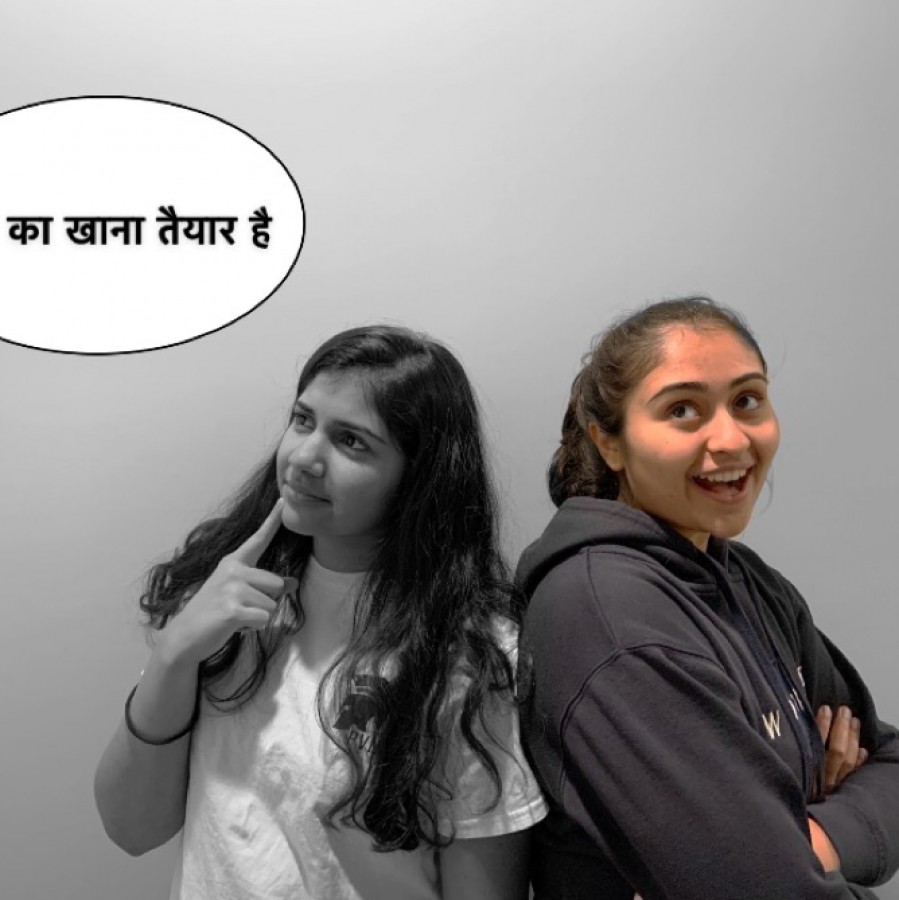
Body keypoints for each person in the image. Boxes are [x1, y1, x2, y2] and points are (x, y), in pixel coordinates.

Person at [95, 325, 546, 900]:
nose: (304, 458)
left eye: (352, 441)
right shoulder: (226, 594)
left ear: (417, 480)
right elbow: (132, 829)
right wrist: (175, 653)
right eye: (302, 420)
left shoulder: (470, 655)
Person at [517, 297, 899, 899]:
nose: (730, 438)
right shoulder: (606, 617)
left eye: (747, 400)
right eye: (682, 410)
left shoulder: (750, 581)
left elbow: (890, 763)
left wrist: (814, 840)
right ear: (609, 443)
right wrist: (793, 849)